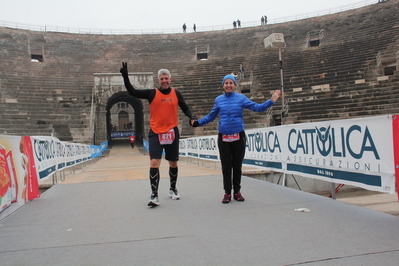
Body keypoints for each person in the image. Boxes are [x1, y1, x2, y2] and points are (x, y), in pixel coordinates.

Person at [189, 74, 281, 204]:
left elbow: (257, 108)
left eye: (231, 83)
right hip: (224, 137)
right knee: (226, 167)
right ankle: (227, 193)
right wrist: (197, 123)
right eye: (226, 83)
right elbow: (211, 116)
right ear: (223, 85)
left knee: (237, 166)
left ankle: (237, 191)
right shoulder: (219, 100)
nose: (228, 85)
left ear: (235, 85)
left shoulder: (241, 98)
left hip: (238, 136)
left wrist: (271, 101)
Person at [120, 62, 196, 207]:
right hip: (156, 131)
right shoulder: (152, 93)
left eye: (166, 78)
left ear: (170, 79)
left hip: (172, 131)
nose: (164, 81)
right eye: (162, 79)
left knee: (173, 162)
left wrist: (192, 116)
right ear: (159, 80)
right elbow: (133, 92)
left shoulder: (176, 94)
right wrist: (125, 77)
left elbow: (185, 107)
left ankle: (173, 189)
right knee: (154, 162)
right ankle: (154, 194)